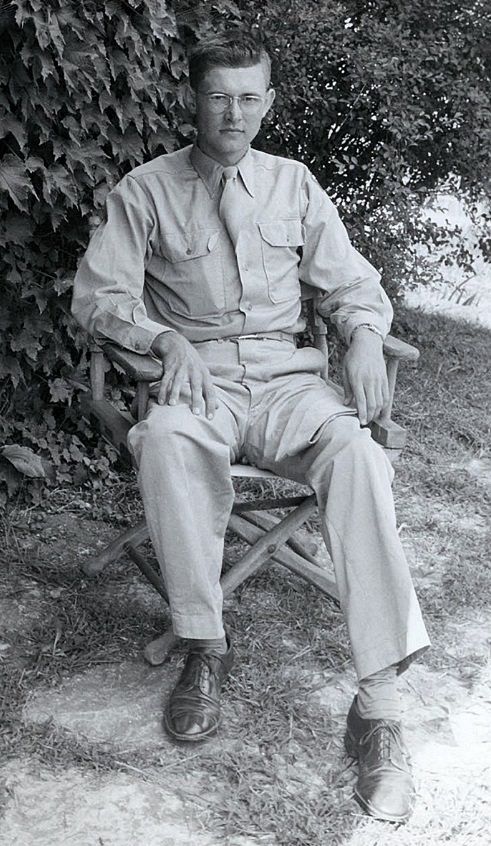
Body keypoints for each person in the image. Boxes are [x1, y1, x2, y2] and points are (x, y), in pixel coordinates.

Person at [71, 31, 430, 823]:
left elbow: (350, 284)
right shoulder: (144, 191)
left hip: (286, 382)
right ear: (193, 101)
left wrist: (362, 335)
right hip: (196, 378)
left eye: (247, 98)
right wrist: (161, 340)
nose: (232, 114)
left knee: (358, 457)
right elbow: (99, 297)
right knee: (166, 441)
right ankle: (204, 645)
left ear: (267, 103)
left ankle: (377, 711)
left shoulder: (294, 184)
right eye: (217, 97)